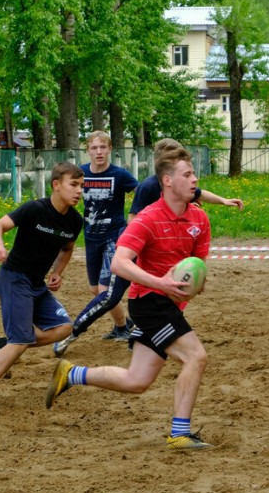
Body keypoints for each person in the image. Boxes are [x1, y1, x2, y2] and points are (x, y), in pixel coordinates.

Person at [46, 146, 214, 450]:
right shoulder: (147, 219)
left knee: (137, 381)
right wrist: (160, 282)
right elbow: (119, 263)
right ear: (167, 180)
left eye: (194, 174)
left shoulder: (200, 221)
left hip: (168, 303)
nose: (194, 180)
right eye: (187, 174)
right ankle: (179, 432)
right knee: (196, 356)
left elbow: (198, 268)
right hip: (149, 301)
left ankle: (72, 374)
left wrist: (194, 284)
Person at [51, 138, 244, 358]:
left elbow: (200, 193)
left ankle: (138, 334)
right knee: (109, 297)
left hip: (152, 254)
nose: (189, 175)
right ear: (164, 169)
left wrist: (224, 200)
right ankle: (73, 332)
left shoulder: (180, 188)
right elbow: (133, 220)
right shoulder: (149, 186)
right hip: (132, 252)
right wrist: (142, 244)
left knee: (163, 294)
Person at [0, 162, 84, 412]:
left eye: (82, 186)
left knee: (64, 328)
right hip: (13, 278)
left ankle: (1, 345)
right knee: (22, 339)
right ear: (56, 185)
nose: (79, 190)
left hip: (37, 285)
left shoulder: (74, 221)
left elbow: (67, 248)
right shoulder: (35, 209)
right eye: (74, 185)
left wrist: (58, 272)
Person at [78, 132, 138, 342]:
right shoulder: (81, 173)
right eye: (94, 148)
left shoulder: (120, 175)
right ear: (88, 151)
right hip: (90, 238)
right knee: (95, 289)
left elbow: (141, 192)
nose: (99, 152)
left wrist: (137, 219)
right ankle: (123, 325)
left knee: (105, 290)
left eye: (103, 147)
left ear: (110, 149)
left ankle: (122, 329)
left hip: (114, 238)